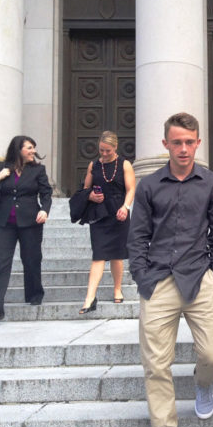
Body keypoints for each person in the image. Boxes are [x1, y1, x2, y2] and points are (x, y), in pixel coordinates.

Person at [127, 112, 213, 427]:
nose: (183, 149)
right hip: (158, 281)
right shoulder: (149, 185)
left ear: (198, 143)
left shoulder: (212, 183)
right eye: (177, 142)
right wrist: (142, 277)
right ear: (165, 144)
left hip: (200, 278)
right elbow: (138, 235)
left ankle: (203, 385)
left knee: (211, 355)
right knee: (156, 363)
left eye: (189, 142)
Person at [0, 136, 52, 327]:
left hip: (30, 221)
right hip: (5, 223)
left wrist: (44, 210)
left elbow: (46, 193)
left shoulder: (38, 170)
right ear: (18, 149)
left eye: (33, 148)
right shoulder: (0, 167)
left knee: (31, 259)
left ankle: (34, 293)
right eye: (29, 147)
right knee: (1, 264)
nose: (32, 151)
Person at [79, 131, 135, 314]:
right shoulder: (93, 165)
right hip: (99, 214)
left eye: (108, 151)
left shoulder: (125, 164)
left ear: (115, 147)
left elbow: (131, 189)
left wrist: (125, 207)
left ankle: (117, 288)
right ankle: (89, 297)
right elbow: (85, 189)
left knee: (117, 255)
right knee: (99, 255)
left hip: (119, 213)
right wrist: (91, 196)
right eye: (101, 150)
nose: (104, 154)